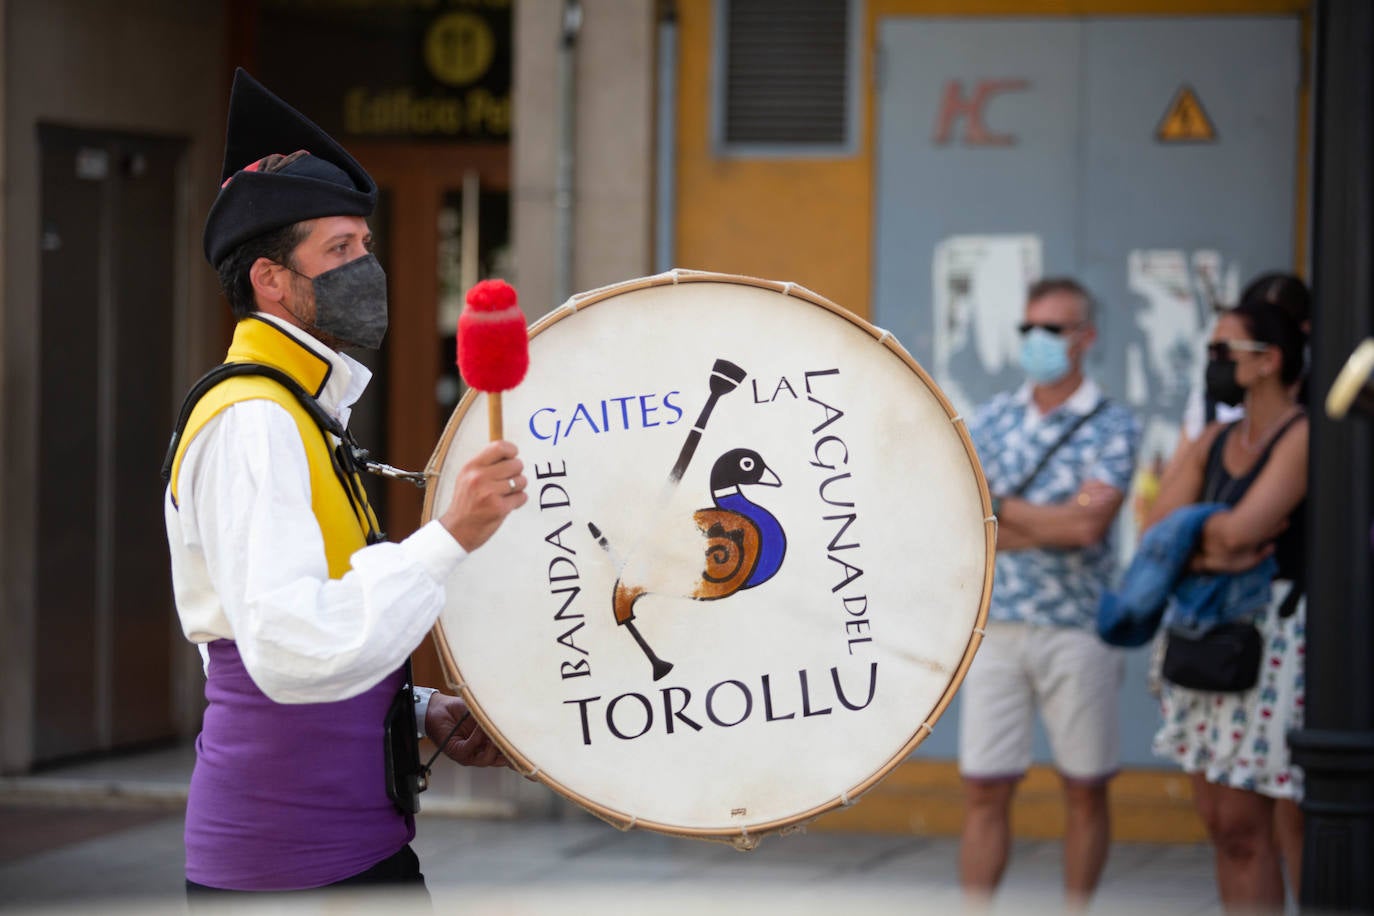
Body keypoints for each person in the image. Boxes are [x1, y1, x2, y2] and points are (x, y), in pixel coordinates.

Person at [164, 69, 526, 897]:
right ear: (271, 280)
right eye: (340, 251)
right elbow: (289, 646)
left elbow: (324, 608)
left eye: (365, 246)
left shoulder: (299, 409)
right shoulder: (253, 419)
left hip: (345, 853)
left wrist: (417, 708)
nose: (367, 267)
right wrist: (448, 537)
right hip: (290, 864)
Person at [960, 277, 1142, 908]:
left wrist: (1004, 507)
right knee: (984, 788)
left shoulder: (1113, 424)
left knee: (1086, 788)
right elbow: (966, 529)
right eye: (1028, 328)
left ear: (1086, 338)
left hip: (1079, 630)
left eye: (1054, 329)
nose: (1037, 341)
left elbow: (1088, 524)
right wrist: (1052, 522)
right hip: (997, 628)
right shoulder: (990, 420)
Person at [1145, 273, 1309, 909]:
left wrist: (1198, 538)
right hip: (1201, 639)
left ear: (1267, 363)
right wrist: (1207, 540)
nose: (1211, 366)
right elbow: (1157, 533)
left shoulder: (1301, 435)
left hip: (1267, 645)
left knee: (1255, 822)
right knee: (1222, 824)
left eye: (1223, 353)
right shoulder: (1214, 437)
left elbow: (1245, 531)